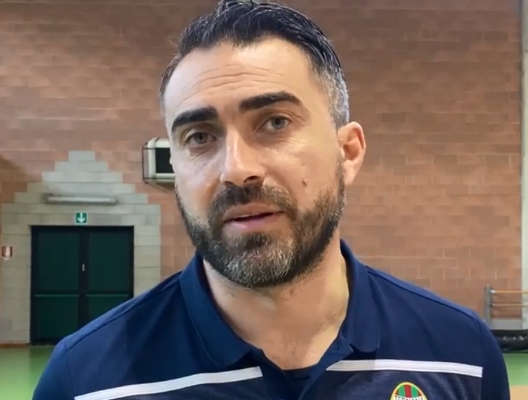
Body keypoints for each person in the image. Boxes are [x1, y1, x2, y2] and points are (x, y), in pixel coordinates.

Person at [32, 1, 510, 399]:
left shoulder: (462, 357)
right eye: (200, 137)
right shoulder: (84, 380)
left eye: (275, 122)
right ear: (174, 169)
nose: (236, 169)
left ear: (347, 152)